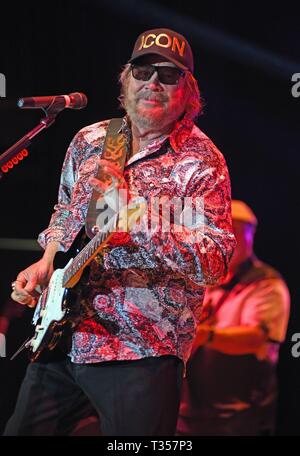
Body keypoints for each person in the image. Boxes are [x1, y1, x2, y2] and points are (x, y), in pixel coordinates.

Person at [4, 28, 235, 436]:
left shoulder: (203, 162)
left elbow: (214, 260)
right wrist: (46, 264)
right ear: (126, 78)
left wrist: (140, 221)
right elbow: (65, 213)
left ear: (189, 91)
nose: (153, 82)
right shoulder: (91, 139)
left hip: (141, 351)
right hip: (65, 336)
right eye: (143, 70)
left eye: (168, 75)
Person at [177, 199, 290, 436]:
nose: (228, 239)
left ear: (250, 235)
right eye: (221, 230)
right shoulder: (203, 278)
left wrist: (202, 336)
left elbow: (258, 337)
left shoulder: (266, 283)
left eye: (235, 231)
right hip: (189, 416)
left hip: (238, 419)